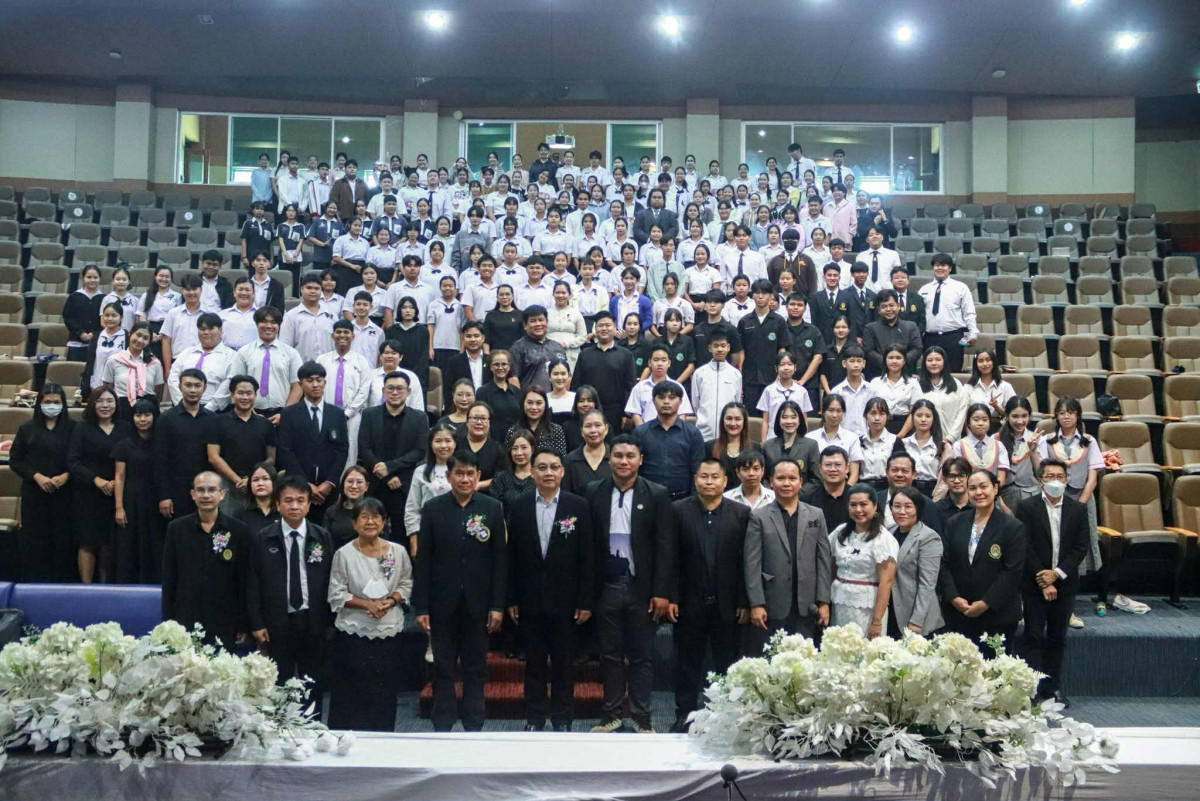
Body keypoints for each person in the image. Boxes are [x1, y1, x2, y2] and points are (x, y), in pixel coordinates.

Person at [586, 435, 675, 734]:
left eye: (630, 456)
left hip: (642, 589)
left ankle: (641, 717)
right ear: (609, 458)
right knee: (609, 655)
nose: (624, 461)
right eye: (618, 455)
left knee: (641, 657)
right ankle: (610, 714)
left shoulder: (657, 494)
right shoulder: (593, 491)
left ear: (640, 460)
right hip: (606, 587)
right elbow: (588, 547)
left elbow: (665, 546)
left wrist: (661, 592)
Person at [413, 450, 508, 733]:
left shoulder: (492, 508)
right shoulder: (433, 509)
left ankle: (473, 724)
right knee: (443, 667)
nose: (465, 479)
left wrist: (497, 605)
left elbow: (500, 561)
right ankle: (443, 723)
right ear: (448, 476)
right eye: (459, 473)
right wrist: (421, 607)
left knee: (475, 667)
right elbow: (424, 560)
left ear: (478, 476)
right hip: (441, 603)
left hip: (479, 604)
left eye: (470, 474)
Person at [505, 448, 594, 732]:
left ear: (562, 472)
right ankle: (534, 719)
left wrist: (585, 600)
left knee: (564, 664)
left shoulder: (578, 506)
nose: (548, 473)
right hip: (529, 599)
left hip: (567, 601)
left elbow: (587, 557)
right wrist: (511, 598)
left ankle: (563, 719)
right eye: (542, 467)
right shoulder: (519, 506)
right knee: (533, 663)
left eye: (554, 467)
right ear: (532, 472)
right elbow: (511, 557)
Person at [670, 458, 750, 732]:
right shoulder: (678, 511)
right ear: (695, 480)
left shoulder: (741, 513)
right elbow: (670, 558)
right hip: (688, 602)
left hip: (728, 604)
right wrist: (672, 596)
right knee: (687, 663)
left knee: (727, 664)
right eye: (703, 476)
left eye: (715, 477)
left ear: (725, 481)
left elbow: (746, 562)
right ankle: (684, 715)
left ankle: (725, 718)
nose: (709, 481)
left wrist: (744, 601)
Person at [327, 496, 413, 731]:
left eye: (376, 517)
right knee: (351, 692)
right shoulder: (344, 554)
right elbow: (336, 593)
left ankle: (383, 738)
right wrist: (366, 605)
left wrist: (390, 601)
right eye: (364, 517)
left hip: (388, 631)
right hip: (353, 632)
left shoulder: (397, 551)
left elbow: (406, 584)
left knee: (384, 691)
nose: (370, 522)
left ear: (384, 522)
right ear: (354, 523)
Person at [246, 476, 334, 687]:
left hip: (313, 618)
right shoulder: (263, 538)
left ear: (309, 504)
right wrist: (257, 623)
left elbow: (332, 580)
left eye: (300, 500)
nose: (294, 506)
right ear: (277, 504)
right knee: (279, 681)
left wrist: (331, 621)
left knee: (312, 681)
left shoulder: (322, 536)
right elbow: (253, 582)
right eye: (288, 500)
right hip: (277, 619)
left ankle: (312, 711)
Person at [1016, 459, 1090, 707]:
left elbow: (1081, 547)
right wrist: (1043, 577)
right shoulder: (1027, 507)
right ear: (1040, 481)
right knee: (1033, 636)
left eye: (1060, 476)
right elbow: (1025, 545)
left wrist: (1056, 574)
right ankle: (1032, 689)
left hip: (1065, 584)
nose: (1055, 481)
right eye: (1050, 476)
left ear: (1067, 480)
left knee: (1058, 638)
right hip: (1034, 583)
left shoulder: (1077, 509)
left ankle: (1053, 688)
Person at [743, 458, 831, 652]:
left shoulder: (816, 515)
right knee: (773, 658)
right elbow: (752, 564)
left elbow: (824, 561)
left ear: (800, 482)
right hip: (772, 603)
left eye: (792, 478)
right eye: (780, 478)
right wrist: (756, 603)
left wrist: (824, 601)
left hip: (807, 604)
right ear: (771, 482)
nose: (786, 483)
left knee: (805, 658)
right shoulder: (758, 516)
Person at [938, 469, 1026, 656]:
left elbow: (1012, 573)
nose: (978, 492)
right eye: (972, 488)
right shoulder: (955, 522)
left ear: (995, 488)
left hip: (997, 615)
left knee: (993, 670)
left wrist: (986, 603)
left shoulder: (1012, 527)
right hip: (959, 612)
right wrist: (954, 598)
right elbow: (944, 564)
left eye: (983, 487)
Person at [161, 471, 250, 648]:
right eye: (200, 490)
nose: (206, 495)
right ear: (192, 494)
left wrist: (243, 623)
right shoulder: (176, 529)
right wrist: (168, 622)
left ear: (222, 494)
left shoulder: (239, 530)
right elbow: (169, 578)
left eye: (212, 490)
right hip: (185, 619)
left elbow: (244, 580)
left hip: (225, 619)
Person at [1036, 395, 1104, 604]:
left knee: (1078, 545)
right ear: (1056, 416)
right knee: (1056, 543)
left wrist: (1079, 504)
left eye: (1071, 412)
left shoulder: (1089, 441)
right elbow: (1040, 472)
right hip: (1054, 499)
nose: (1066, 416)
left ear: (1078, 416)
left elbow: (1092, 477)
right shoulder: (1047, 440)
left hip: (1082, 499)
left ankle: (1070, 600)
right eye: (1062, 413)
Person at [10, 383, 75, 582]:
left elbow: (81, 460)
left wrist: (67, 476)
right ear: (39, 403)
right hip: (34, 494)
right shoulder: (27, 429)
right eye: (47, 402)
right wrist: (36, 476)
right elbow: (15, 460)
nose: (52, 405)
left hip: (65, 494)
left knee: (63, 542)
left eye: (56, 402)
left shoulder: (74, 428)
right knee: (34, 542)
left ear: (63, 404)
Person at [68, 386, 130, 583]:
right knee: (87, 542)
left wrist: (116, 483)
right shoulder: (82, 428)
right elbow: (73, 462)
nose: (105, 405)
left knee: (108, 544)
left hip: (117, 494)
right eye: (100, 401)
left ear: (116, 404)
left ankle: (105, 588)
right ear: (92, 404)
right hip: (88, 493)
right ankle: (86, 589)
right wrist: (97, 480)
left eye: (110, 401)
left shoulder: (125, 428)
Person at [275, 362, 349, 523]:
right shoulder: (289, 414)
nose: (315, 384)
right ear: (301, 384)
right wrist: (305, 484)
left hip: (328, 489)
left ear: (325, 382)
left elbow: (343, 450)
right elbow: (286, 450)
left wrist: (330, 482)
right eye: (309, 380)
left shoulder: (337, 414)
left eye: (319, 380)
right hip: (298, 487)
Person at [358, 370, 430, 523]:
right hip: (376, 483)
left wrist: (389, 468)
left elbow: (419, 451)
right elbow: (364, 448)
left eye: (400, 388)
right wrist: (386, 476)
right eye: (390, 388)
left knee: (402, 530)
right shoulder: (369, 414)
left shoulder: (419, 417)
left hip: (405, 484)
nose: (395, 392)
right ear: (383, 391)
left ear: (408, 391)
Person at [827, 485, 897, 637]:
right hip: (840, 603)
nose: (858, 510)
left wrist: (876, 621)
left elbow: (887, 581)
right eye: (853, 505)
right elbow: (831, 566)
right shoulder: (840, 532)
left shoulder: (883, 538)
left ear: (875, 506)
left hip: (868, 608)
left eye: (863, 504)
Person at [205, 374, 276, 511]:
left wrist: (252, 479)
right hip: (226, 484)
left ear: (255, 395)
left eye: (249, 393)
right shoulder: (218, 422)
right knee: (225, 523)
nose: (245, 397)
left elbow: (271, 458)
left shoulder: (265, 424)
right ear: (232, 395)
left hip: (258, 484)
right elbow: (213, 457)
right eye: (240, 393)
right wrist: (237, 480)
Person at [112, 399, 161, 583]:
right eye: (138, 415)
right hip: (131, 499)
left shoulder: (161, 442)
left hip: (155, 499)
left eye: (147, 415)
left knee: (154, 544)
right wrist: (119, 507)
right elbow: (119, 477)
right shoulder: (124, 445)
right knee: (128, 547)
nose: (143, 419)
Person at [885, 485, 945, 637]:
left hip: (915, 614)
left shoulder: (928, 537)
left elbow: (927, 584)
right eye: (896, 506)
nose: (902, 511)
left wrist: (917, 621)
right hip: (890, 610)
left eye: (908, 506)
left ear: (918, 509)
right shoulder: (889, 532)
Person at [634, 381, 706, 501]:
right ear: (653, 401)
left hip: (683, 499)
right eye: (661, 397)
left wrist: (694, 501)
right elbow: (635, 469)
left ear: (680, 401)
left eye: (672, 398)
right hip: (647, 499)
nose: (666, 402)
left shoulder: (693, 433)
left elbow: (697, 470)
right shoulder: (640, 432)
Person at [231, 306, 303, 421]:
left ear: (279, 326)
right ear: (257, 324)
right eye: (264, 322)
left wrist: (285, 414)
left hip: (282, 413)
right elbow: (236, 384)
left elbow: (298, 385)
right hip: (249, 414)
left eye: (273, 322)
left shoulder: (291, 353)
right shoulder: (244, 352)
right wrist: (251, 413)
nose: (269, 326)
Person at [571, 311, 637, 434]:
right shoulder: (585, 354)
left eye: (608, 325)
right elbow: (576, 385)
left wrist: (627, 414)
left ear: (615, 327)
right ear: (595, 329)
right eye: (600, 325)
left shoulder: (625, 355)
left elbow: (630, 386)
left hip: (616, 412)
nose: (604, 329)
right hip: (589, 411)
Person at [737, 279, 792, 411]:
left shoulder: (779, 321)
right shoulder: (744, 321)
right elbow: (740, 351)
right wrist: (740, 375)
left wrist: (779, 374)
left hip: (772, 377)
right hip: (750, 378)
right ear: (752, 295)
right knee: (751, 415)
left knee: (773, 414)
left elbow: (782, 349)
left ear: (771, 295)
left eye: (764, 293)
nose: (760, 296)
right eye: (757, 293)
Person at [403, 425, 458, 556]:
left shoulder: (463, 472)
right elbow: (412, 508)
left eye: (448, 441)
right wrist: (414, 541)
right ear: (431, 444)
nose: (443, 446)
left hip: (457, 531)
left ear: (455, 444)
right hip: (428, 532)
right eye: (438, 441)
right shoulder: (421, 471)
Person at [919, 254, 978, 374]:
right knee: (930, 373)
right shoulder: (924, 289)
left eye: (944, 265)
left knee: (953, 374)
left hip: (953, 338)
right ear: (933, 268)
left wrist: (973, 333)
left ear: (950, 268)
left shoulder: (960, 287)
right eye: (937, 265)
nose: (940, 268)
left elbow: (969, 312)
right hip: (930, 338)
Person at [102, 321, 165, 420]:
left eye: (145, 338)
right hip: (122, 408)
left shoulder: (155, 363)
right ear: (130, 333)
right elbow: (108, 388)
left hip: (147, 410)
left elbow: (158, 392)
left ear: (149, 341)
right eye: (138, 335)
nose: (140, 340)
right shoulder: (113, 361)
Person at [691, 332, 743, 442]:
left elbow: (737, 402)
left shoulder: (735, 374)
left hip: (727, 432)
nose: (719, 349)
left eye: (723, 346)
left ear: (728, 347)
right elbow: (696, 403)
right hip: (704, 433)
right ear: (710, 348)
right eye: (716, 346)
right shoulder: (699, 373)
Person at [876, 451, 945, 533]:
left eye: (905, 471)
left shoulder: (927, 505)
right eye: (895, 470)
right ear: (887, 472)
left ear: (913, 474)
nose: (899, 474)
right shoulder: (875, 500)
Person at [862, 290, 922, 379]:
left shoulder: (911, 326)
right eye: (884, 306)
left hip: (906, 375)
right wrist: (887, 363)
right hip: (878, 376)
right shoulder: (870, 328)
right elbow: (869, 351)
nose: (888, 309)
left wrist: (900, 362)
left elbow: (917, 349)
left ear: (898, 306)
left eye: (891, 305)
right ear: (879, 310)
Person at [806, 394, 863, 484]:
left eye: (839, 411)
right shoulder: (810, 438)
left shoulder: (852, 438)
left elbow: (854, 475)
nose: (834, 415)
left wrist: (845, 491)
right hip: (816, 488)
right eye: (831, 410)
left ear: (843, 413)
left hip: (843, 487)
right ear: (823, 412)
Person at [998, 396, 1042, 511]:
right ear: (1007, 416)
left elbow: (1040, 473)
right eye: (1015, 416)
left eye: (1024, 416)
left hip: (1031, 493)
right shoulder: (996, 439)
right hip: (1005, 495)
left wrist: (1033, 451)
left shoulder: (1036, 438)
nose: (1020, 421)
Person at [952, 403, 1011, 487]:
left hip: (993, 492)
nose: (980, 423)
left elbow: (1001, 477)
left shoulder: (998, 445)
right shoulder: (958, 446)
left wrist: (991, 491)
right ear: (968, 423)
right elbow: (959, 475)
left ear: (989, 422)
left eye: (985, 420)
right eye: (976, 420)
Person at [763, 400, 821, 485]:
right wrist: (772, 491)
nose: (789, 421)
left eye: (793, 417)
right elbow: (763, 478)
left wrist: (795, 491)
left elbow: (816, 480)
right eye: (784, 417)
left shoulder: (811, 445)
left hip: (802, 493)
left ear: (800, 420)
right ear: (778, 420)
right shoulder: (768, 446)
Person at [918, 346, 971, 439]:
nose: (934, 363)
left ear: (944, 362)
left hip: (953, 440)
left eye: (938, 360)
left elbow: (962, 412)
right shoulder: (917, 385)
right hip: (925, 440)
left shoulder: (956, 384)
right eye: (930, 360)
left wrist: (951, 437)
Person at [868, 345, 922, 435]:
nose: (894, 361)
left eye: (898, 358)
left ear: (904, 361)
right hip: (879, 426)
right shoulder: (875, 383)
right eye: (891, 358)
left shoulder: (913, 383)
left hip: (904, 427)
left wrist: (901, 435)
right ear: (885, 360)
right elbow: (869, 410)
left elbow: (915, 412)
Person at [322, 465, 374, 550]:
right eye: (350, 481)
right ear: (343, 485)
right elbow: (324, 542)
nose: (354, 486)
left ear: (366, 486)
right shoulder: (331, 512)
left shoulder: (374, 512)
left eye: (359, 482)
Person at [63, 263, 104, 363]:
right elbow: (68, 317)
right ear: (83, 278)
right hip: (75, 342)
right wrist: (81, 333)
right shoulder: (74, 296)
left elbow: (105, 320)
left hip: (96, 342)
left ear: (100, 279)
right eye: (89, 277)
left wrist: (94, 333)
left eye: (95, 277)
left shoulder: (104, 298)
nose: (92, 280)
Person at [563, 409, 611, 495]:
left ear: (606, 429)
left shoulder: (615, 457)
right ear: (581, 431)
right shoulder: (570, 460)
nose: (593, 430)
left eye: (598, 425)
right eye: (588, 426)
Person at [966, 349, 1016, 422]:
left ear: (993, 362)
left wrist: (996, 406)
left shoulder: (1005, 386)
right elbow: (964, 415)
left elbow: (1013, 414)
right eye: (980, 361)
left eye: (988, 360)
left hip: (999, 426)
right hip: (975, 426)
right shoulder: (968, 387)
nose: (985, 364)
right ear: (976, 364)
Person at [237, 462, 281, 536]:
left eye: (265, 479)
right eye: (255, 480)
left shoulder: (283, 511)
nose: (260, 483)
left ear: (274, 482)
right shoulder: (240, 514)